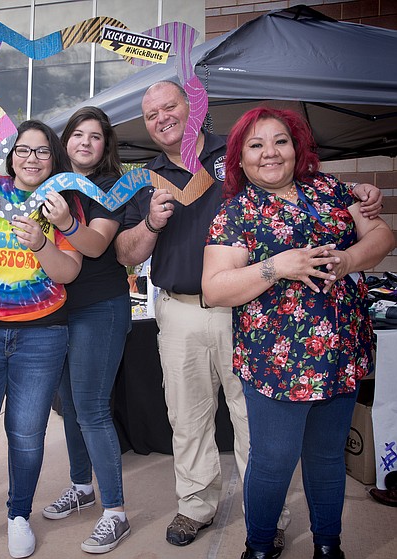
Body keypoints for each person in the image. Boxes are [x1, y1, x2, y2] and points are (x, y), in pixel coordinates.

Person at [114, 81, 384, 549]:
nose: (162, 118)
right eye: (151, 113)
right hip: (181, 310)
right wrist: (151, 224)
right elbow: (124, 253)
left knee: (254, 424)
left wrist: (359, 195)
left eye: (170, 106)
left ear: (192, 106)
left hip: (248, 310)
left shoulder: (237, 151)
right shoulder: (143, 177)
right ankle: (196, 505)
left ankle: (269, 517)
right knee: (189, 417)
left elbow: (333, 204)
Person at [201, 107, 394, 559]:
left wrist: (349, 259)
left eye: (280, 141)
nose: (270, 152)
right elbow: (214, 288)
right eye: (256, 144)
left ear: (296, 147)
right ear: (241, 159)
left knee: (328, 459)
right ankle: (260, 548)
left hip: (339, 353)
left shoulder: (329, 189)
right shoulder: (236, 213)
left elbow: (382, 236)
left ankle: (329, 545)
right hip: (276, 363)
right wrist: (276, 266)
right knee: (272, 462)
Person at [0, 120, 82, 559]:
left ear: (53, 159)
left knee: (26, 434)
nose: (32, 159)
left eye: (42, 152)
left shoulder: (63, 202)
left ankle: (18, 515)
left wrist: (43, 242)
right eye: (24, 150)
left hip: (43, 334)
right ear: (10, 156)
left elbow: (68, 272)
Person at [40, 107, 132, 554]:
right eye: (78, 134)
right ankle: (82, 487)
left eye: (95, 137)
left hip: (101, 308)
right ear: (66, 140)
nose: (85, 143)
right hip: (54, 310)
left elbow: (95, 244)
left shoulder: (113, 187)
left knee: (92, 407)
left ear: (105, 146)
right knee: (71, 406)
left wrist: (65, 224)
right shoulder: (47, 180)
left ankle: (115, 513)